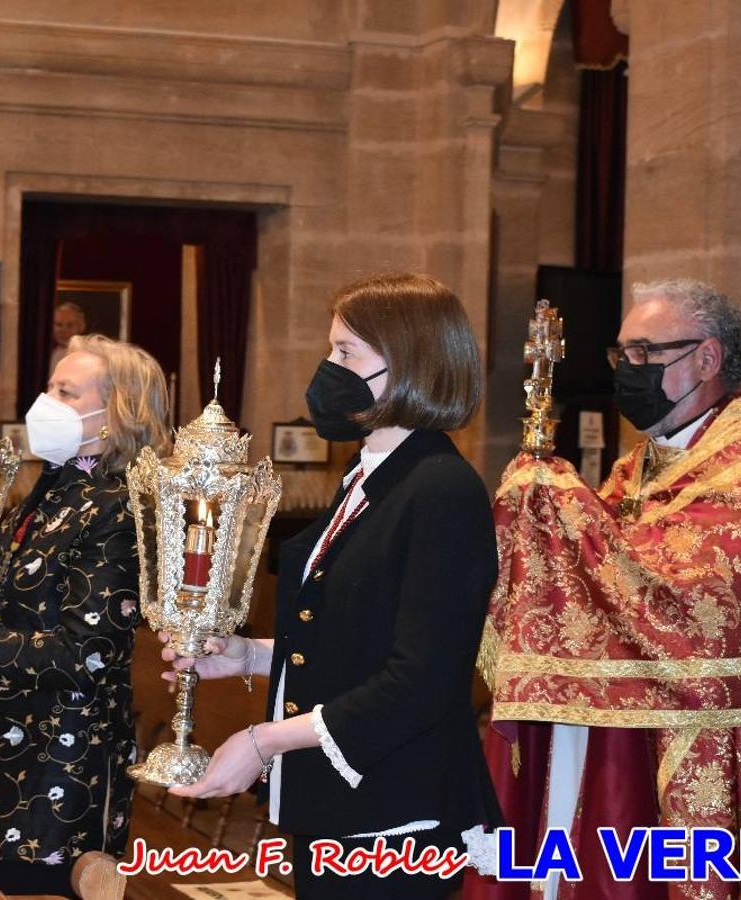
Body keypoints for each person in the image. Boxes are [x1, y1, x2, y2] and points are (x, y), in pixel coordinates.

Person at [164, 272, 504, 899]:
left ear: (410, 366)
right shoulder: (369, 473)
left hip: (397, 812)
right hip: (343, 806)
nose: (327, 369)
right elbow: (349, 634)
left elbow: (420, 681)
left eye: (346, 353)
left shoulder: (440, 490)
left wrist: (262, 743)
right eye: (330, 350)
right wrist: (249, 655)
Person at [468, 279, 741, 900]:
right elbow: (590, 575)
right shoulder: (645, 463)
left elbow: (693, 599)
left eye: (647, 353)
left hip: (686, 733)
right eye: (622, 355)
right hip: (608, 724)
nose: (630, 370)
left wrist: (559, 501)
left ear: (707, 358)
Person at [0, 334, 170, 900]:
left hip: (63, 767)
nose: (44, 403)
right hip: (7, 747)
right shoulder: (49, 491)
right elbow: (14, 620)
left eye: (65, 392)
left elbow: (86, 657)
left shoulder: (119, 510)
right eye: (50, 386)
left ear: (117, 412)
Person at [49, 301, 88, 375]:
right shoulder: (44, 353)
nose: (63, 330)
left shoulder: (88, 355)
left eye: (70, 325)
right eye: (59, 325)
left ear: (81, 327)